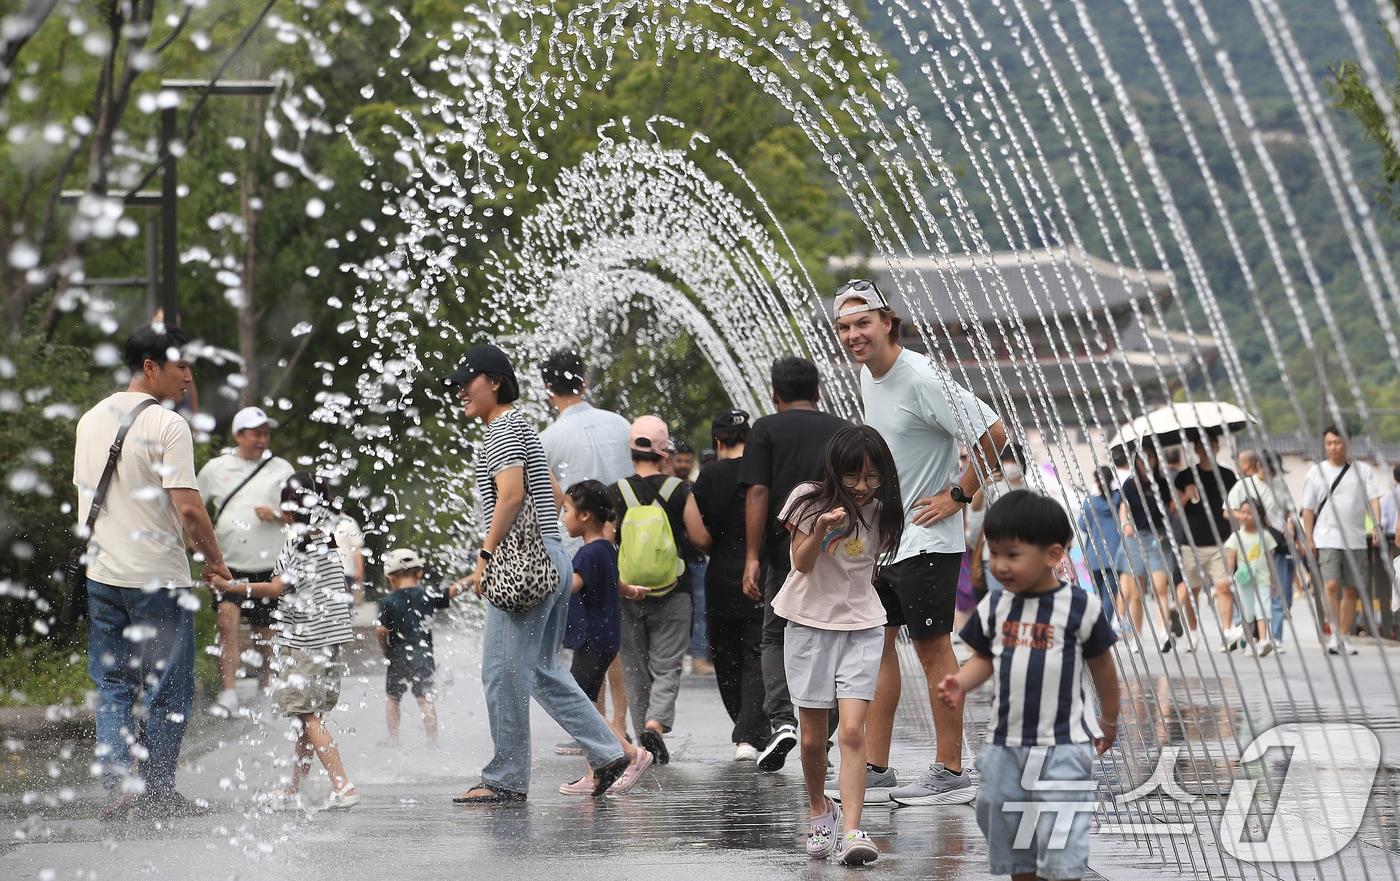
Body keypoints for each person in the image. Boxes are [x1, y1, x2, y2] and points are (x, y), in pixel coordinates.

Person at [832, 279, 1007, 807]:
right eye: (844, 327)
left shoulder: (922, 377)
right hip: (888, 539)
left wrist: (957, 494)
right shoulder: (870, 376)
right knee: (878, 646)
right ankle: (878, 766)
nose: (853, 335)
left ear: (888, 322)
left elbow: (995, 434)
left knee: (934, 653)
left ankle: (952, 770)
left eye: (863, 323)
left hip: (929, 539)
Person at [447, 344, 635, 802]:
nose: (458, 392)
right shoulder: (523, 429)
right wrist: (550, 552)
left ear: (493, 381)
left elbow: (511, 495)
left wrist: (486, 557)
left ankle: (506, 778)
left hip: (521, 566)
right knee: (540, 669)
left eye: (466, 382)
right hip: (549, 559)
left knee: (500, 672)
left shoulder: (503, 429)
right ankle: (609, 751)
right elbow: (551, 495)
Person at [75, 325, 228, 821]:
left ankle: (123, 782)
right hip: (158, 579)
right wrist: (215, 561)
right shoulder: (167, 424)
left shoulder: (89, 419)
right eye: (180, 365)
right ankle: (157, 790)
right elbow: (188, 508)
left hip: (102, 576)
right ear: (150, 367)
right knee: (167, 686)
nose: (188, 376)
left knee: (114, 683)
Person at [939, 490, 1120, 881]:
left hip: (1064, 744)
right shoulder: (996, 607)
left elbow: (1103, 667)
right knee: (999, 814)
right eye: (994, 553)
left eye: (1012, 554)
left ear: (1053, 555)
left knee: (1059, 838)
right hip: (1006, 743)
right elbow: (985, 660)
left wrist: (1109, 718)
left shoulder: (1079, 607)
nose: (999, 565)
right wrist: (961, 682)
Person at [774, 426, 904, 865]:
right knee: (813, 739)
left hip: (862, 624)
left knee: (851, 730)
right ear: (836, 471)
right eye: (853, 477)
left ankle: (852, 830)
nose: (863, 486)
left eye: (872, 477)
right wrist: (822, 528)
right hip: (810, 623)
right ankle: (818, 809)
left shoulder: (883, 510)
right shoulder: (808, 499)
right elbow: (802, 563)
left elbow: (869, 563)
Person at [211, 472, 358, 811]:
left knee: (308, 716)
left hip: (304, 641)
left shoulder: (294, 543)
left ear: (287, 510)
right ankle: (293, 789)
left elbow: (275, 589)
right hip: (329, 641)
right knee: (307, 716)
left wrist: (230, 587)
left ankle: (343, 784)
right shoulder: (327, 538)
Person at [739, 356, 851, 773]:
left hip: (783, 552)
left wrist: (752, 555)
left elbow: (757, 493)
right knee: (833, 635)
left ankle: (785, 721)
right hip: (837, 550)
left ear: (775, 393)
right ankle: (823, 727)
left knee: (776, 634)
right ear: (817, 392)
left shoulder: (766, 428)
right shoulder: (842, 428)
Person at [538, 348, 634, 740]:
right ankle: (619, 724)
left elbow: (549, 502)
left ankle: (597, 730)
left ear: (547, 389)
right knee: (614, 637)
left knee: (587, 638)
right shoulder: (619, 423)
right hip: (623, 540)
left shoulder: (547, 438)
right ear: (585, 381)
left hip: (576, 550)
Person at [609, 415, 712, 765]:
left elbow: (607, 544)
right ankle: (656, 723)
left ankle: (643, 740)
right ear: (663, 450)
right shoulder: (679, 490)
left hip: (626, 592)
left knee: (636, 668)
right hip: (674, 591)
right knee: (667, 666)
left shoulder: (616, 491)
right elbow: (699, 538)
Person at [557, 480, 655, 795]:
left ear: (585, 516)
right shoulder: (605, 548)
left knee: (580, 709)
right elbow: (615, 583)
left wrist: (538, 581)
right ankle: (596, 773)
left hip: (592, 641)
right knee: (586, 707)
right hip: (602, 639)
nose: (563, 518)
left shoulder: (588, 553)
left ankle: (631, 753)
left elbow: (569, 587)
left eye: (567, 510)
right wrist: (632, 590)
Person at [197, 406, 296, 717]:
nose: (263, 439)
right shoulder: (215, 469)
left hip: (268, 565)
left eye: (266, 433)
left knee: (264, 633)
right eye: (256, 433)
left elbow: (303, 512)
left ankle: (266, 687)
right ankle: (229, 691)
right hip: (228, 564)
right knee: (227, 622)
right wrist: (199, 550)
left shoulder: (281, 468)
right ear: (239, 435)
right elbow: (195, 510)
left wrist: (277, 516)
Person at [692, 409, 769, 761]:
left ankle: (745, 729)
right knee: (757, 654)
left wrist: (713, 548)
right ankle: (751, 732)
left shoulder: (707, 477)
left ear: (718, 442)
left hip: (721, 576)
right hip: (760, 573)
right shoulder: (763, 472)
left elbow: (699, 534)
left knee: (725, 656)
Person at [1301, 426, 1384, 656]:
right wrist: (1308, 537)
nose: (1333, 448)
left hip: (1355, 538)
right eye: (1328, 443)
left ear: (1347, 443)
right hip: (1327, 537)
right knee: (1330, 585)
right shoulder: (1316, 472)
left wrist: (1376, 524)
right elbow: (1307, 508)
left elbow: (1374, 498)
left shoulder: (1362, 470)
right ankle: (1334, 633)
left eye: (1337, 443)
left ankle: (1344, 636)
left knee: (1351, 590)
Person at [376, 548, 456, 748]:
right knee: (424, 699)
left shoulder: (387, 601)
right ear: (419, 573)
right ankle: (432, 741)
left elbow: (380, 631)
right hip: (423, 656)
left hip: (398, 656)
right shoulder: (427, 595)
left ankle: (393, 739)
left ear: (391, 578)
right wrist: (474, 577)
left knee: (393, 699)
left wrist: (385, 651)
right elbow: (452, 591)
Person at [1173, 434, 1238, 651]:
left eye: (1211, 444)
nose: (1207, 449)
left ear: (1217, 447)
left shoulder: (1228, 476)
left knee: (1224, 587)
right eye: (1202, 446)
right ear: (1196, 449)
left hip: (1220, 541)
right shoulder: (1184, 476)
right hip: (1190, 543)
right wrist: (1186, 495)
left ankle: (1227, 632)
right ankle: (1193, 633)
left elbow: (1234, 507)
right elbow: (1173, 508)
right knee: (1193, 591)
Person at [1228, 449, 1294, 648]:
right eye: (1269, 469)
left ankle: (1275, 637)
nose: (1273, 473)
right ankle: (1250, 635)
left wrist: (1290, 523)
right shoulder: (1245, 485)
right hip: (1250, 545)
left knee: (1276, 590)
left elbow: (1289, 509)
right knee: (1247, 591)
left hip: (1276, 543)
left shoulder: (1279, 484)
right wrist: (1249, 518)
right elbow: (1228, 511)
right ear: (1258, 466)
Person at [1115, 444, 1177, 654]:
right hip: (1136, 538)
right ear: (1136, 462)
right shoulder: (1130, 485)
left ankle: (1163, 633)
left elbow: (1172, 508)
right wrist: (1125, 524)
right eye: (1142, 460)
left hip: (1158, 537)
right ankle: (1136, 636)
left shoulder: (1163, 483)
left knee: (1161, 587)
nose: (1147, 463)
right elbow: (1124, 508)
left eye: (1150, 459)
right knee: (1136, 593)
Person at [671, 438, 713, 674]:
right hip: (672, 559)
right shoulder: (666, 487)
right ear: (670, 460)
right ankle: (675, 658)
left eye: (688, 460)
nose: (684, 465)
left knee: (701, 607)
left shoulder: (695, 488)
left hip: (695, 559)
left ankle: (698, 656)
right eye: (679, 460)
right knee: (674, 609)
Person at [1220, 499, 1278, 655]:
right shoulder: (1236, 537)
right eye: (1243, 512)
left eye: (1251, 512)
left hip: (1262, 578)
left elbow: (1270, 559)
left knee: (1263, 608)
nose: (1246, 516)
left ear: (1259, 515)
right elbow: (1231, 558)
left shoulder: (1265, 536)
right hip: (1244, 579)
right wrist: (1229, 577)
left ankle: (1264, 640)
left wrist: (1274, 580)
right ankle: (1249, 643)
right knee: (1247, 612)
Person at [1078, 466, 1123, 627]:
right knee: (1110, 595)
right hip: (1115, 555)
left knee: (1098, 594)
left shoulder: (1089, 503)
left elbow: (1083, 526)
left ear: (1096, 481)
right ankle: (1104, 627)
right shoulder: (1119, 500)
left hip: (1095, 555)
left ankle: (1098, 626)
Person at [332, 512, 366, 605]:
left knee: (346, 610)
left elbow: (357, 549)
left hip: (347, 575)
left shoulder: (349, 522)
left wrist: (360, 573)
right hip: (330, 575)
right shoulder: (320, 522)